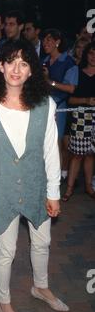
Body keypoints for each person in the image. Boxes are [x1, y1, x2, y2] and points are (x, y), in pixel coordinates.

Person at [0, 39, 69, 312]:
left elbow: (50, 150)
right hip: (3, 189)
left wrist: (54, 194)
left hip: (36, 186)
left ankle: (40, 287)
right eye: (11, 62)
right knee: (6, 250)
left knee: (42, 242)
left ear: (32, 70)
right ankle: (3, 302)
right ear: (1, 66)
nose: (17, 69)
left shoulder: (46, 105)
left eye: (24, 63)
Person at [62, 42, 95, 201]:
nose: (93, 57)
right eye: (91, 53)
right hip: (80, 118)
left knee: (91, 155)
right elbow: (70, 100)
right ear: (86, 54)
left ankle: (89, 187)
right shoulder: (77, 72)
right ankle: (69, 189)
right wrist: (86, 100)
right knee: (76, 155)